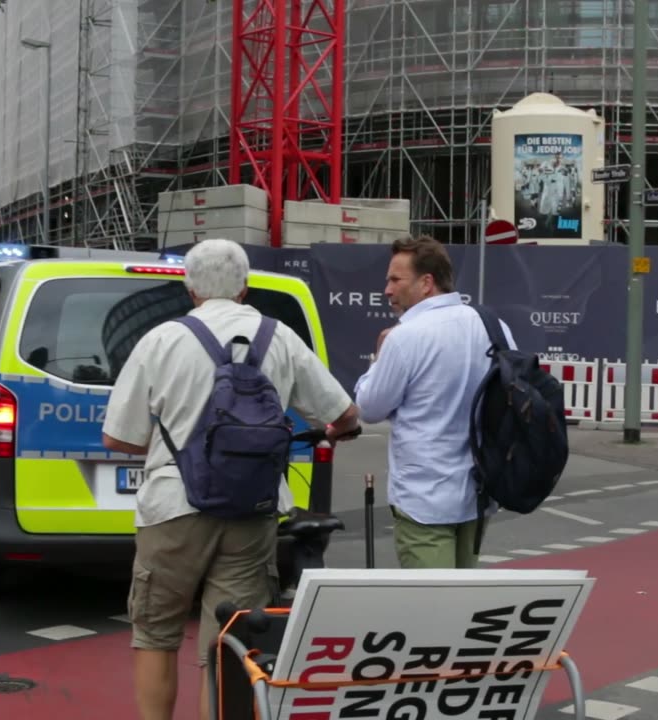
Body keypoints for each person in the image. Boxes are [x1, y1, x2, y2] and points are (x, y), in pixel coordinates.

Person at [101, 238, 360, 720]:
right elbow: (345, 414)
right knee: (229, 642)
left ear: (189, 287)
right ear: (245, 287)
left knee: (155, 633)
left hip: (172, 507)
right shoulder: (278, 336)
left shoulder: (162, 339)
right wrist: (326, 431)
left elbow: (120, 440)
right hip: (254, 509)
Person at [354, 234, 516, 570]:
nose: (387, 289)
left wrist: (377, 358)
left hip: (424, 498)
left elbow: (370, 408)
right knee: (460, 604)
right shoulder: (492, 326)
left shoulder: (405, 337)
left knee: (431, 609)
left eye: (395, 279)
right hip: (478, 490)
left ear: (427, 283)